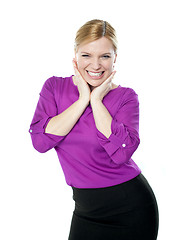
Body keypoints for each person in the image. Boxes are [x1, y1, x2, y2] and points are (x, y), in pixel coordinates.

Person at [29, 19, 159, 240]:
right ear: (75, 55)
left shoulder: (126, 97)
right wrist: (82, 100)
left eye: (104, 56)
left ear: (115, 58)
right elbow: (41, 142)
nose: (96, 65)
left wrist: (97, 101)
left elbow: (122, 154)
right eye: (87, 55)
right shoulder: (54, 87)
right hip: (85, 211)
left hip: (131, 209)